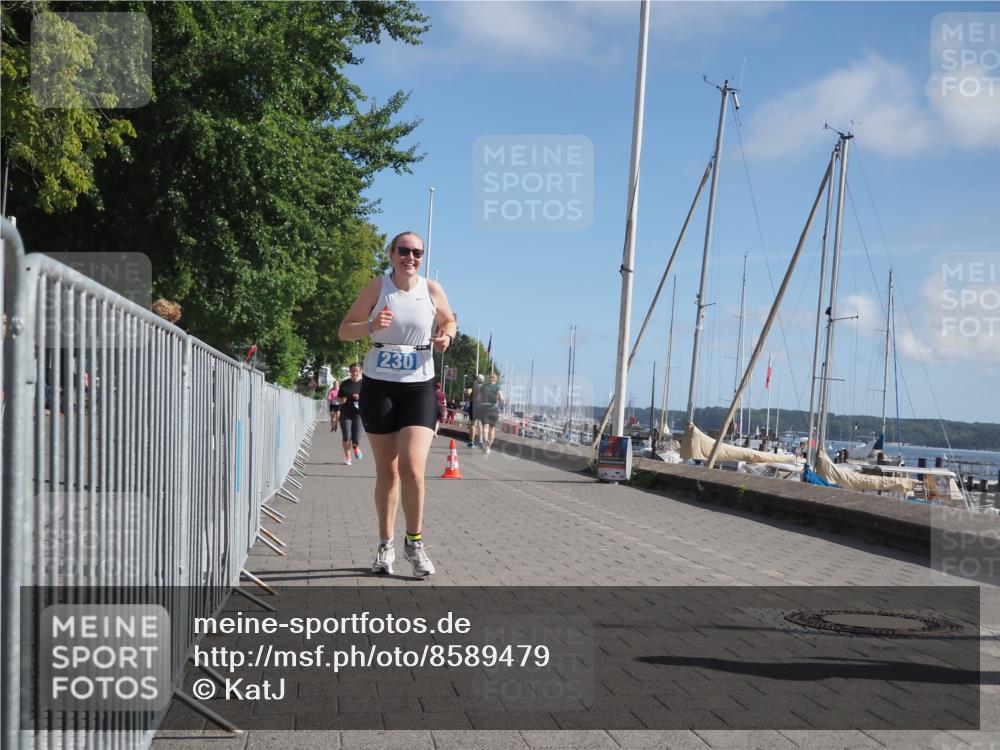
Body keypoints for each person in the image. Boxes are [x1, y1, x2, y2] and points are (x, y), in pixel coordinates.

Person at [338, 230, 456, 578]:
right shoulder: (377, 288)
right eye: (404, 251)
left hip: (419, 386)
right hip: (380, 386)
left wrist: (446, 335)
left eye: (417, 252)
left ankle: (414, 543)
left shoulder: (431, 290)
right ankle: (385, 544)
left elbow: (449, 318)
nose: (411, 257)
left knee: (413, 468)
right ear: (391, 255)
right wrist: (371, 324)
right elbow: (344, 330)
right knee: (388, 471)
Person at [337, 364, 364, 464]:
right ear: (350, 372)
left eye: (357, 371)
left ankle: (356, 447)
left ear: (360, 372)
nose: (355, 373)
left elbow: (371, 399)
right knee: (346, 436)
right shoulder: (344, 383)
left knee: (356, 438)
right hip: (345, 412)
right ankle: (348, 457)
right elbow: (338, 398)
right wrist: (341, 400)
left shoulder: (364, 384)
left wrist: (360, 398)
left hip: (358, 413)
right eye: (353, 371)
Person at [476, 372, 504, 454]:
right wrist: (500, 400)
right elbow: (501, 397)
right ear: (495, 379)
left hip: (484, 408)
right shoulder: (497, 387)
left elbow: (478, 398)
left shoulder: (483, 386)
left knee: (485, 427)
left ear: (489, 379)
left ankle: (485, 441)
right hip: (493, 408)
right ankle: (488, 447)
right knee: (492, 429)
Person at [469, 376, 484, 448]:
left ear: (477, 380)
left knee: (473, 424)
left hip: (474, 405)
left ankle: (471, 442)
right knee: (480, 423)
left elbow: (469, 394)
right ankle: (481, 440)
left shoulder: (474, 386)